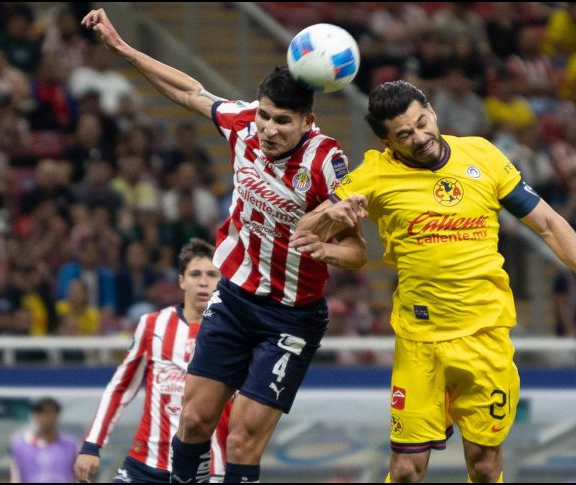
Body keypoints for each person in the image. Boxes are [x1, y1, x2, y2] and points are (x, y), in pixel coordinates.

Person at [292, 80, 576, 483]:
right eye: (405, 135)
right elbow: (304, 230)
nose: (420, 137)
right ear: (387, 142)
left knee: (486, 468)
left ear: (432, 111)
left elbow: (548, 223)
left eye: (422, 123)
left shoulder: (482, 156)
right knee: (405, 471)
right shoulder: (373, 175)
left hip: (485, 338)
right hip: (421, 343)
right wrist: (331, 214)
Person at [81, 8, 366, 483]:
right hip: (234, 298)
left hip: (291, 316)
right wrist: (123, 48)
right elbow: (187, 91)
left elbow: (358, 252)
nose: (269, 129)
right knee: (193, 420)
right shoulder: (243, 124)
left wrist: (328, 251)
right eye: (265, 115)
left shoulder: (326, 163)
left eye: (282, 121)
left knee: (241, 440)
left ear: (307, 121)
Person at [74, 239, 226, 483]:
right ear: (181, 280)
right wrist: (92, 445)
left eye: (212, 274)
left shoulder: (232, 335)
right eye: (195, 274)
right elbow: (120, 387)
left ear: (222, 281)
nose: (203, 281)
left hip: (204, 472)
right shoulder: (153, 324)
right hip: (145, 466)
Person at [10, 397, 77, 483]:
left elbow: (76, 475)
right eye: (43, 413)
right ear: (35, 415)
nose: (48, 418)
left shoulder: (69, 444)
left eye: (52, 413)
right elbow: (15, 476)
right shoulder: (21, 444)